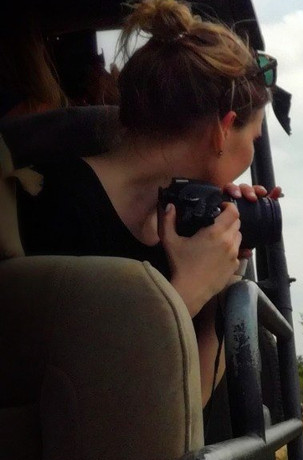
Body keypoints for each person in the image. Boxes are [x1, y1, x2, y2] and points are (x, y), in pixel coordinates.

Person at [16, 0, 282, 405]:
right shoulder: (51, 204)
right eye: (254, 138)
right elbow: (92, 399)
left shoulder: (180, 220)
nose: (250, 157)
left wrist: (226, 273)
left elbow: (190, 403)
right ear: (224, 130)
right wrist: (188, 288)